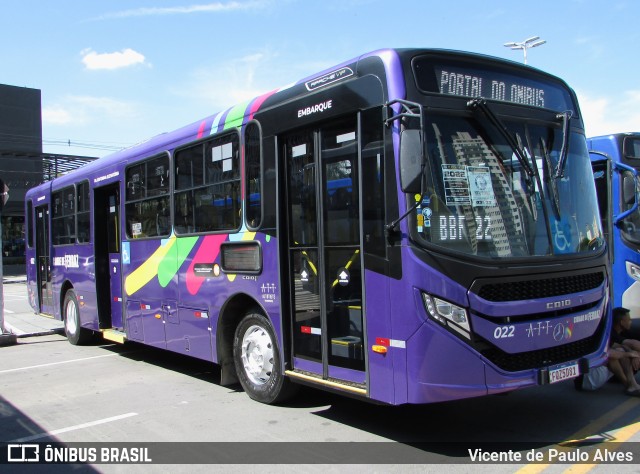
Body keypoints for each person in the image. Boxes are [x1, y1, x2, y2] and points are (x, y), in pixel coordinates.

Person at [611, 307, 640, 371]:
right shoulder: (611, 334)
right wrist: (636, 355)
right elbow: (633, 344)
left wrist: (636, 355)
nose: (631, 322)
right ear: (622, 322)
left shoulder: (625, 331)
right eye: (629, 320)